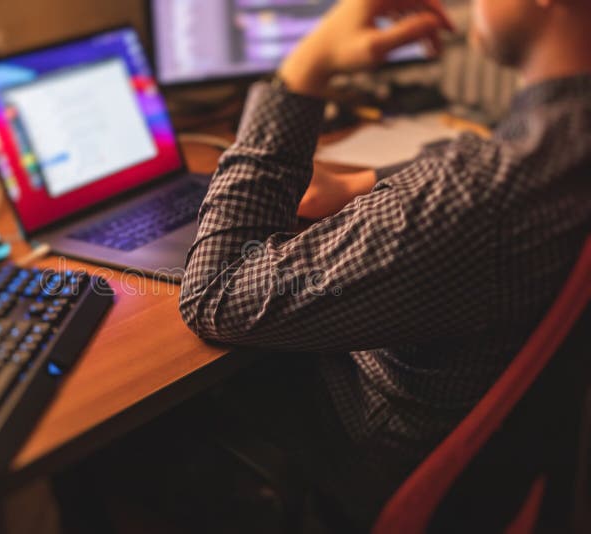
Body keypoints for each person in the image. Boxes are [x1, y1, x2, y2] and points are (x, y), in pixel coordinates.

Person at [178, 0, 591, 528]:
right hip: (508, 471)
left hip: (361, 466)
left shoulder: (479, 196)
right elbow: (494, 163)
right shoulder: (557, 150)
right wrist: (368, 184)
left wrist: (305, 70)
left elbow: (215, 292)